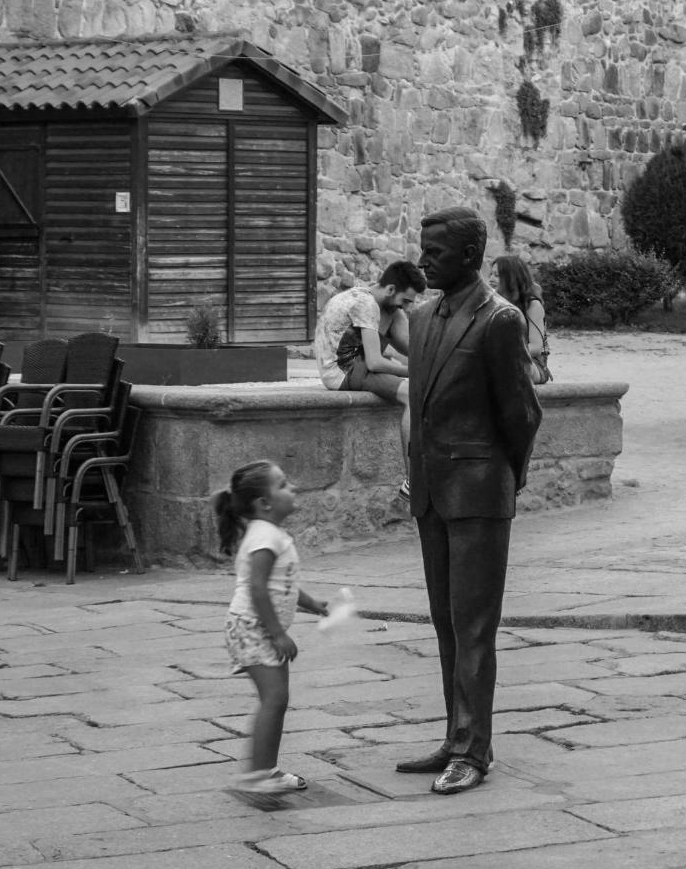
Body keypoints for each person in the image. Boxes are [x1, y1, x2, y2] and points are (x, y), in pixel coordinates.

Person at [397, 207, 542, 795]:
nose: (423, 258)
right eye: (423, 247)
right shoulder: (423, 317)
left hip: (480, 490)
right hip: (433, 489)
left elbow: (523, 414)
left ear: (467, 256)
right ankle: (455, 735)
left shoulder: (499, 320)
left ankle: (474, 751)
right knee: (445, 623)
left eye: (434, 250)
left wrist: (505, 478)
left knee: (474, 624)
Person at [213, 459, 329, 807]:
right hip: (251, 628)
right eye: (283, 485)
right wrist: (278, 633)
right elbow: (258, 589)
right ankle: (256, 777)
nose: (291, 489)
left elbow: (284, 585)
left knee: (277, 700)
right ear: (264, 503)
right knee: (274, 700)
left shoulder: (272, 534)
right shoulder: (264, 537)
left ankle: (267, 770)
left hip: (257, 628)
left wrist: (311, 603)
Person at [314, 261, 427, 501]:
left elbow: (410, 350)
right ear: (390, 289)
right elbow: (375, 363)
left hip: (357, 363)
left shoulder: (383, 305)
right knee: (412, 395)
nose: (407, 307)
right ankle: (413, 482)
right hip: (342, 371)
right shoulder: (366, 304)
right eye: (405, 300)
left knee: (399, 325)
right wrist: (415, 371)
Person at [489, 255, 554, 384]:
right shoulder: (493, 303)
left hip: (532, 364)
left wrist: (504, 356)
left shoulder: (532, 305)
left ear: (512, 279)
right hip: (501, 362)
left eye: (497, 275)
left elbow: (536, 347)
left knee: (510, 369)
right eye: (490, 274)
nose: (491, 279)